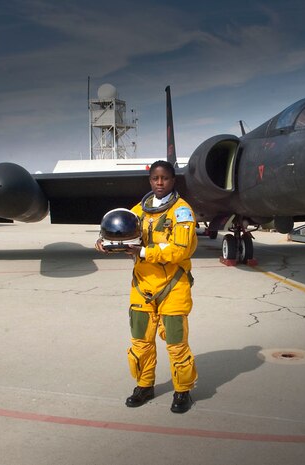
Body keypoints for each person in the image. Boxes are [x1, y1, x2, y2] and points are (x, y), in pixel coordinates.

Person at [96, 160, 198, 413]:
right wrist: (105, 241)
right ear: (150, 181)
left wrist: (143, 251)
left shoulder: (182, 212)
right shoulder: (139, 211)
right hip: (142, 287)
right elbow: (120, 230)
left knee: (176, 344)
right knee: (140, 343)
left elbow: (180, 250)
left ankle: (182, 391)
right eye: (155, 178)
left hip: (173, 287)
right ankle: (144, 385)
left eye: (164, 178)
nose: (159, 183)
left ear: (173, 181)